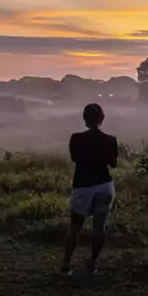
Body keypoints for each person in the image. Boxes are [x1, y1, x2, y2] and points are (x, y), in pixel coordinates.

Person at [62, 103, 118, 275]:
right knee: (99, 227)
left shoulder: (76, 138)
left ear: (85, 119)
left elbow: (75, 159)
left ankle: (66, 264)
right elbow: (113, 164)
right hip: (104, 185)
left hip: (83, 186)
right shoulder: (110, 140)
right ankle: (92, 264)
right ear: (102, 119)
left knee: (75, 227)